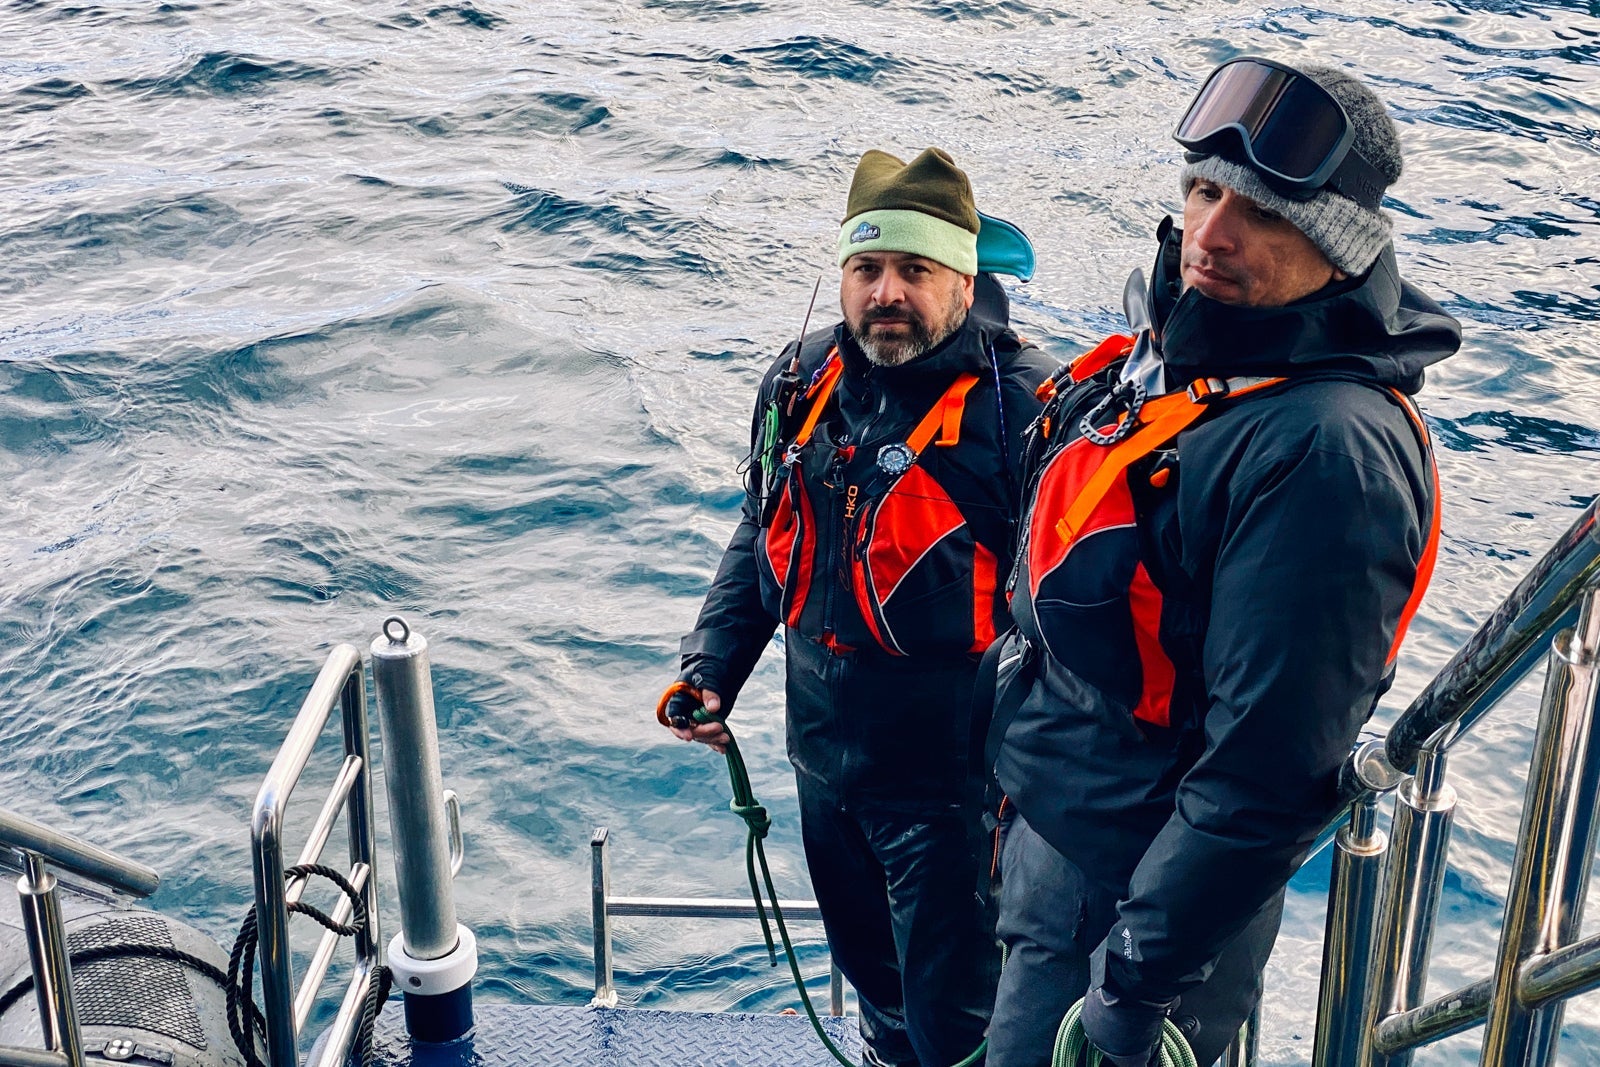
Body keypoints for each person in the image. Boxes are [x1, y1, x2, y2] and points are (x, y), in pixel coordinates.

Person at [984, 59, 1461, 1067]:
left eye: (1263, 213)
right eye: (1202, 190)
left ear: (1335, 251)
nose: (1209, 234)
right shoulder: (1196, 360)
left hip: (1126, 907)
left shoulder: (1325, 452)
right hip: (1059, 830)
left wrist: (1133, 980)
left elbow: (1266, 766)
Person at [662, 147, 1054, 1067]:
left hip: (956, 799)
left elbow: (1077, 625)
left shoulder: (1025, 411)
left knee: (957, 1025)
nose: (887, 292)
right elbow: (761, 536)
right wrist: (709, 669)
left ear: (963, 279)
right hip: (825, 776)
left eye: (914, 270)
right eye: (867, 268)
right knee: (876, 997)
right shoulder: (799, 386)